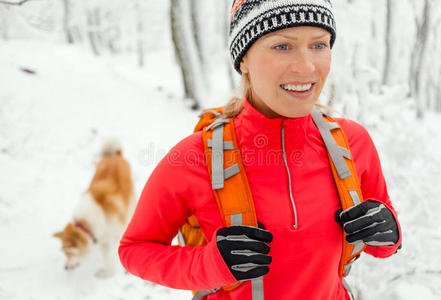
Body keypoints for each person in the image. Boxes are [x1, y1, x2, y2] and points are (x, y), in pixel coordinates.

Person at [119, 1, 402, 299]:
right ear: (244, 60)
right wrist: (209, 264)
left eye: (319, 45)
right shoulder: (196, 157)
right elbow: (134, 250)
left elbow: (382, 244)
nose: (306, 66)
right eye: (282, 46)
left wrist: (389, 234)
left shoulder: (352, 143)